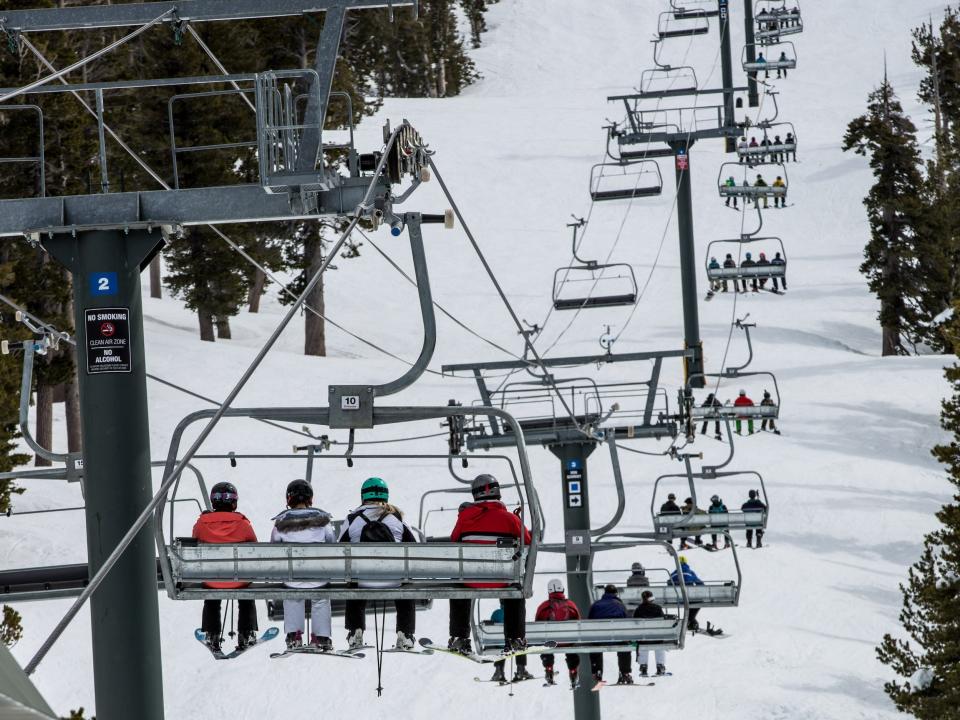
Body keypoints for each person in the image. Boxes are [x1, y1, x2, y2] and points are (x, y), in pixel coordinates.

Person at [448, 474, 533, 683]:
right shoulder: (510, 519)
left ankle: (459, 636)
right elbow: (529, 542)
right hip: (501, 578)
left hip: (470, 579)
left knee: (459, 586)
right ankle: (515, 638)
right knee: (516, 589)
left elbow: (454, 540)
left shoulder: (465, 517)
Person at [340, 477, 419, 651]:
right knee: (406, 584)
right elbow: (414, 546)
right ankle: (405, 634)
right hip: (394, 580)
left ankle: (355, 632)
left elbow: (339, 548)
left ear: (363, 496)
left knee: (354, 583)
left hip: (362, 581)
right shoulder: (397, 518)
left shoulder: (352, 518)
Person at [192, 482, 259, 653]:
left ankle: (211, 633)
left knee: (212, 589)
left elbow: (194, 546)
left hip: (212, 580)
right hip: (239, 581)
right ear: (234, 503)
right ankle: (247, 632)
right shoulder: (243, 525)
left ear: (213, 502)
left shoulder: (201, 524)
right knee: (245, 592)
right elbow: (254, 549)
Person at [271, 480, 335, 650]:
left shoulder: (280, 523)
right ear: (310, 498)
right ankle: (321, 637)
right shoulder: (323, 520)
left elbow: (274, 549)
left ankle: (294, 635)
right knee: (320, 598)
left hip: (292, 578)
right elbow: (332, 545)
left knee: (293, 595)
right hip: (318, 578)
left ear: (289, 499)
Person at [535, 579, 581, 687]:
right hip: (568, 641)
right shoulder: (571, 605)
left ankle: (549, 669)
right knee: (571, 648)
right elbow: (578, 623)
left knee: (546, 646)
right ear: (563, 590)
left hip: (551, 642)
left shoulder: (544, 607)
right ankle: (573, 672)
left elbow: (537, 625)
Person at [588, 585, 633, 685]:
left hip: (599, 639)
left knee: (595, 644)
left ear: (605, 593)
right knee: (625, 645)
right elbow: (627, 622)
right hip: (617, 638)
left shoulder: (596, 605)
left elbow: (589, 621)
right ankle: (624, 672)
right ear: (616, 593)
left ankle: (597, 671)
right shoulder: (620, 605)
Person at [633, 590, 667, 677]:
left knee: (642, 641)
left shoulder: (638, 609)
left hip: (644, 638)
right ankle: (660, 666)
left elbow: (635, 624)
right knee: (659, 642)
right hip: (657, 638)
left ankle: (643, 667)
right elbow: (663, 622)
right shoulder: (658, 608)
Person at [669, 555, 704, 632]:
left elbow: (669, 583)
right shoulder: (690, 572)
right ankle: (690, 620)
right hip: (689, 597)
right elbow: (700, 583)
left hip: (678, 599)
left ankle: (690, 620)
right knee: (698, 602)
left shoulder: (674, 573)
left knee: (690, 603)